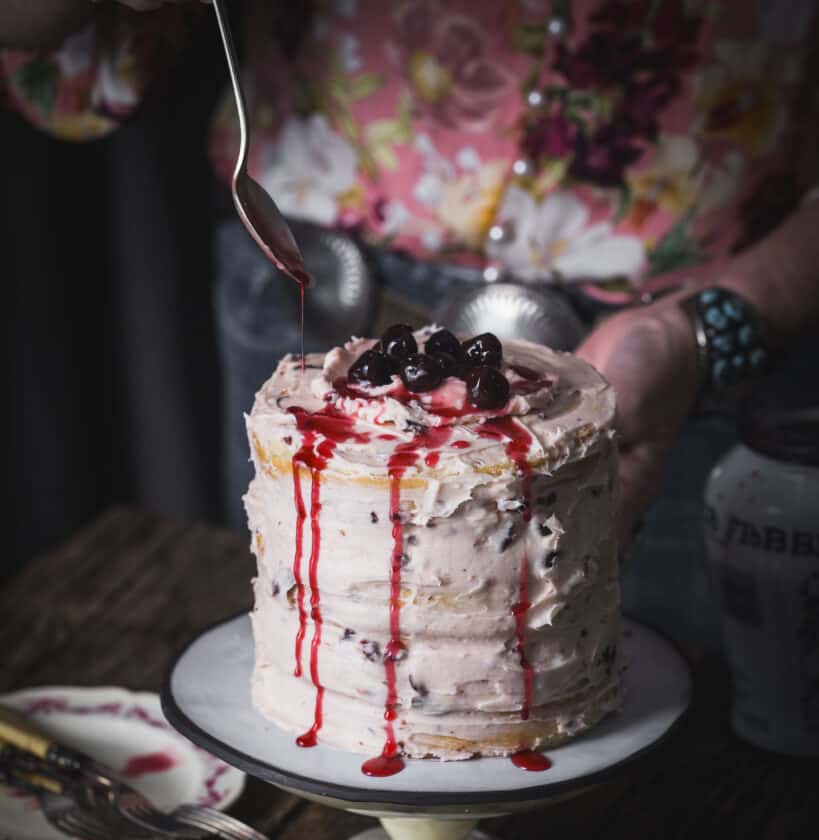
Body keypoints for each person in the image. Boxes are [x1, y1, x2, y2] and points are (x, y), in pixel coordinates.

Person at [3, 0, 819, 647]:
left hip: (689, 363)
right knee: (327, 706)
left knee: (664, 764)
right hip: (317, 311)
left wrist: (714, 324)